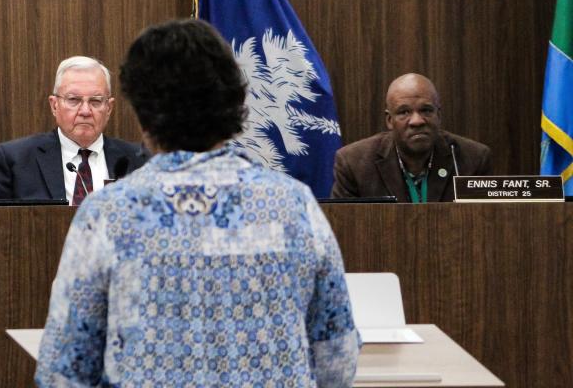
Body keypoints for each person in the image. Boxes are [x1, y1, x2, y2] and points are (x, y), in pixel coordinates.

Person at [35, 20, 359, 387]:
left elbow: (62, 370)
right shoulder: (294, 205)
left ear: (141, 111)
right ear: (236, 102)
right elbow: (338, 356)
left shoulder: (108, 215)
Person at [0, 56, 148, 204]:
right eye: (73, 100)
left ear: (109, 108)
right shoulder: (14, 160)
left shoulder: (141, 161)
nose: (85, 111)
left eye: (96, 101)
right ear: (54, 105)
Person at [331, 73, 491, 202]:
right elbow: (344, 230)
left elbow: (485, 225)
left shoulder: (473, 159)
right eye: (404, 112)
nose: (417, 121)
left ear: (439, 116)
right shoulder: (353, 163)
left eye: (426, 110)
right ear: (389, 120)